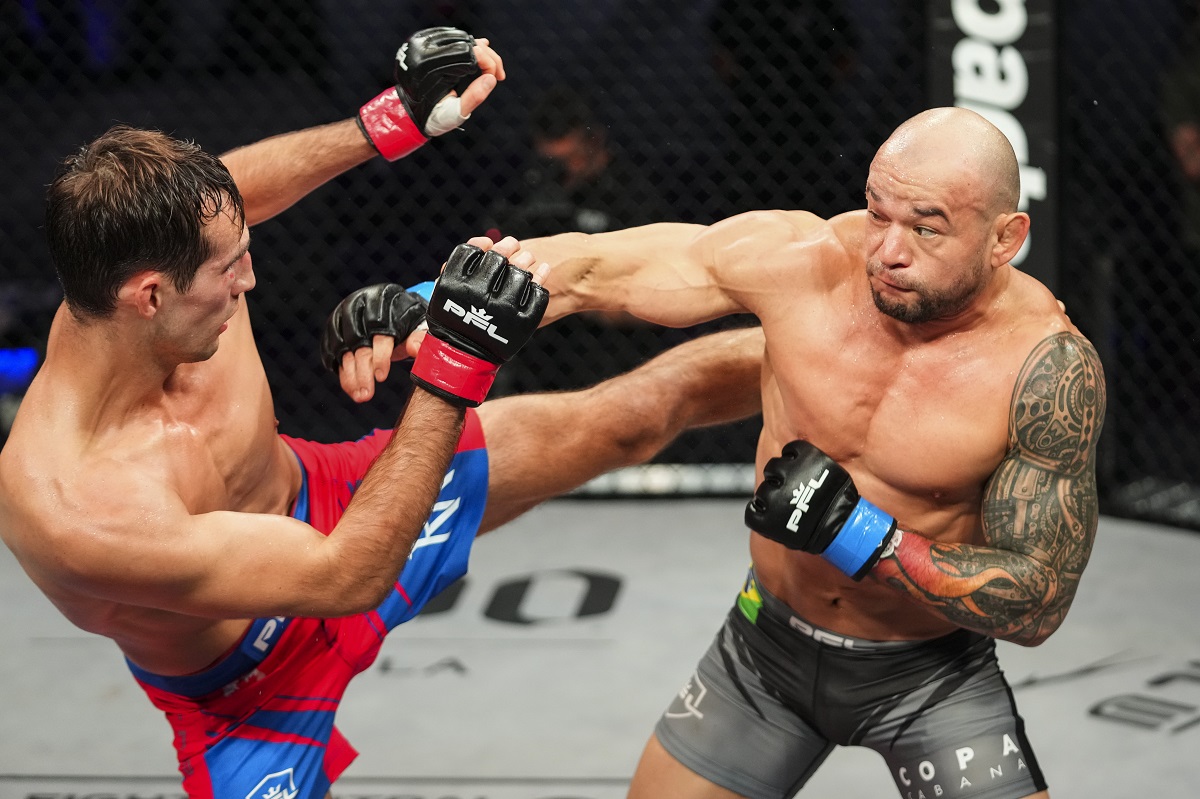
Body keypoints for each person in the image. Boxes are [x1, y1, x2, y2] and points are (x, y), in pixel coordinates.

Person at [0, 28, 765, 799]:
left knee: (634, 416)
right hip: (245, 693)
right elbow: (348, 576)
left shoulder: (150, 265)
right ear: (149, 295)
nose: (250, 279)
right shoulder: (77, 504)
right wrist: (454, 366)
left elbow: (234, 188)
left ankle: (800, 346)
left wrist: (387, 121)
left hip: (327, 494)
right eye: (229, 268)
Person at [498, 106, 1107, 799]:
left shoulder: (1046, 371)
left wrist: (861, 535)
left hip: (931, 676)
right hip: (763, 652)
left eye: (926, 227)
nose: (888, 251)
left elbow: (1038, 601)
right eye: (877, 213)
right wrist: (444, 298)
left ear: (1006, 238)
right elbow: (606, 267)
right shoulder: (810, 262)